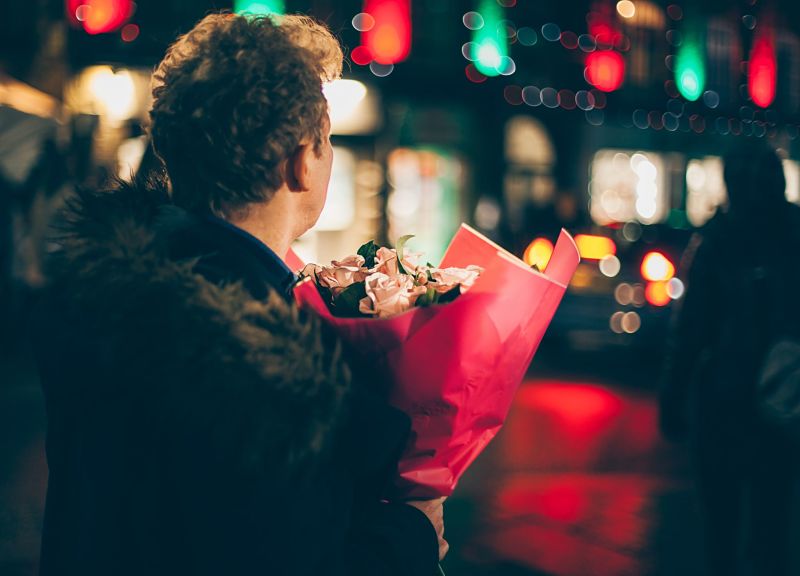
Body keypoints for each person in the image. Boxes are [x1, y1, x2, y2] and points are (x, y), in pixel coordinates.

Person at [33, 13, 445, 576]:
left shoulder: (108, 287)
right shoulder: (259, 359)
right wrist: (411, 536)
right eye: (325, 143)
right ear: (302, 162)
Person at [660, 141, 800, 576]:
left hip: (724, 398)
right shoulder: (793, 234)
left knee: (721, 527)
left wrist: (674, 397)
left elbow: (692, 331)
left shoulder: (718, 241)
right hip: (783, 398)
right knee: (772, 525)